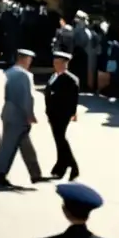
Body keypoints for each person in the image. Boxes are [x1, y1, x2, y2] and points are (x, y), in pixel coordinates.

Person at [0, 48, 46, 189]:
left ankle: (35, 174)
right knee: (8, 146)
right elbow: (26, 97)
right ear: (24, 59)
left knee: (26, 146)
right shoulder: (23, 75)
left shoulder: (9, 72)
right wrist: (30, 115)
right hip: (18, 115)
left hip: (8, 111)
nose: (30, 62)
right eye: (29, 60)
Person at [45, 50, 80, 181]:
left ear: (65, 64)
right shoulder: (54, 76)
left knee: (61, 140)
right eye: (55, 62)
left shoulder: (70, 79)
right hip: (52, 114)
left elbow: (73, 99)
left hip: (62, 114)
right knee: (59, 141)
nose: (56, 65)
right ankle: (61, 166)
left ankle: (72, 166)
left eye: (59, 63)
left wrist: (72, 113)